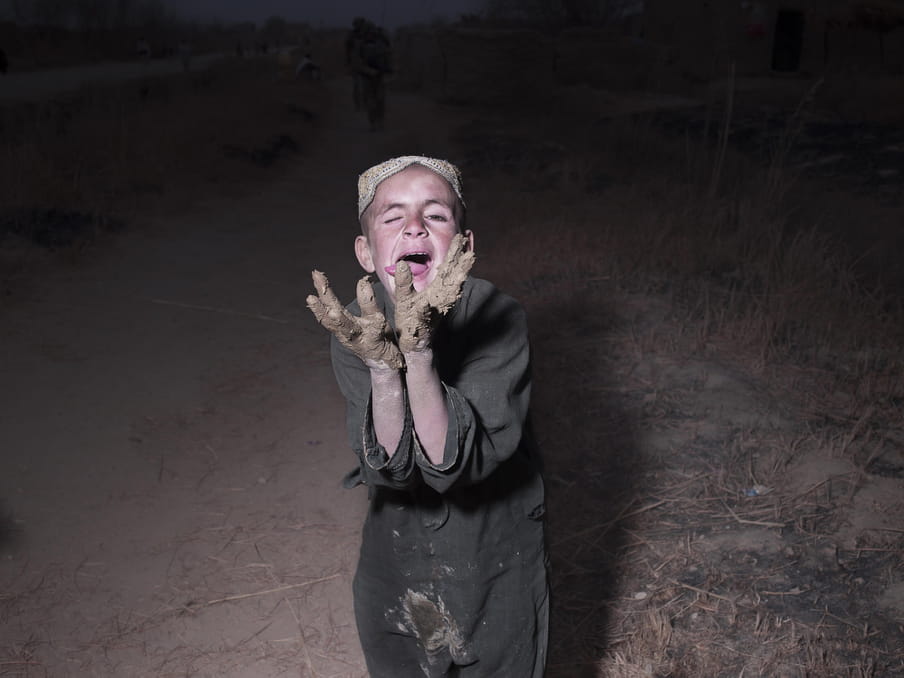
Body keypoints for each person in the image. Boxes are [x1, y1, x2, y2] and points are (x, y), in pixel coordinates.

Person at [306, 156, 549, 677]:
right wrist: (382, 367)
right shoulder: (357, 325)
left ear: (464, 245)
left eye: (436, 216)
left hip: (491, 548)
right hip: (397, 546)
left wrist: (417, 355)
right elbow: (392, 464)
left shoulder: (498, 317)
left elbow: (449, 463)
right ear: (366, 252)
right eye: (393, 217)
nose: (414, 226)